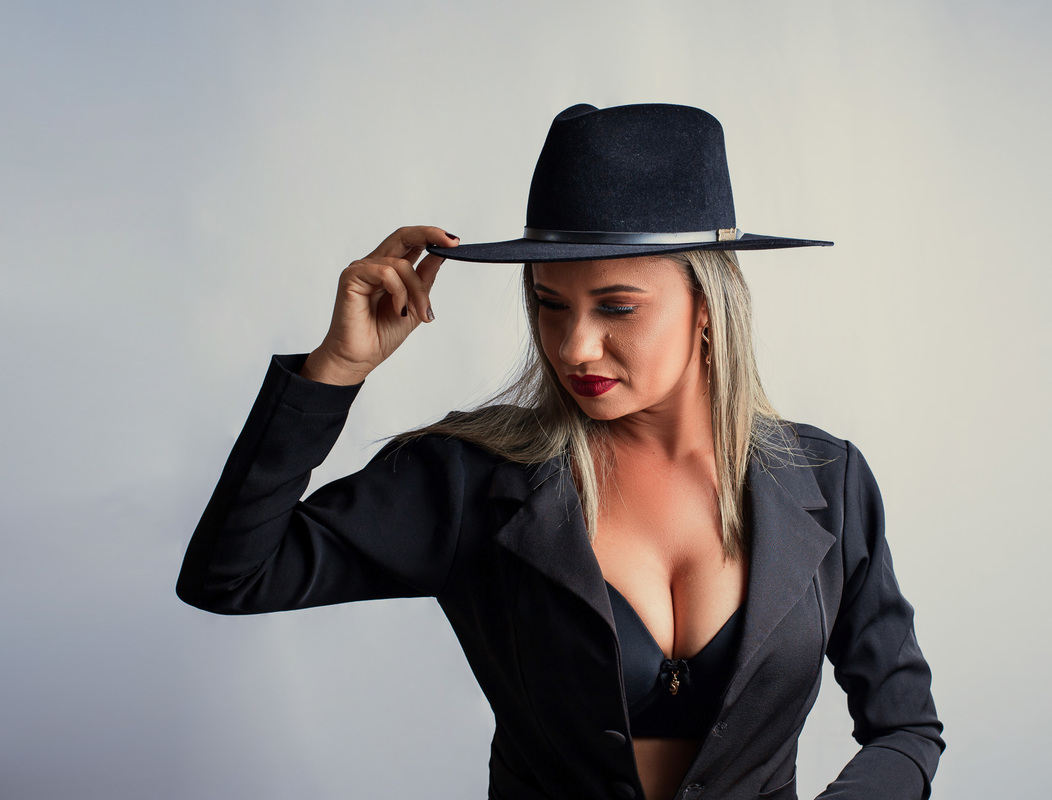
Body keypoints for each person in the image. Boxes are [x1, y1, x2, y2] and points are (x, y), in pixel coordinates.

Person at [177, 103, 944, 800]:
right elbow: (231, 576)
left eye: (617, 307)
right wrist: (336, 369)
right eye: (550, 304)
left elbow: (906, 728)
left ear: (706, 308)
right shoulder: (471, 481)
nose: (575, 346)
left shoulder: (828, 482)